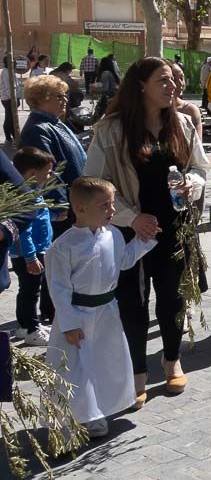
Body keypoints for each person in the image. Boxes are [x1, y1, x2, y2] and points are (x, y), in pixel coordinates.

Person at [83, 57, 208, 408]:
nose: (173, 87)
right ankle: (137, 371)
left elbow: (199, 168)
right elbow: (93, 181)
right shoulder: (111, 130)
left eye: (173, 81)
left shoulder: (182, 123)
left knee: (173, 298)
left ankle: (171, 360)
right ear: (141, 85)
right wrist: (129, 217)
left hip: (174, 228)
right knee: (133, 303)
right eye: (163, 81)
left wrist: (191, 183)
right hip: (130, 232)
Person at [44, 177, 158, 438]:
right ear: (80, 209)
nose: (112, 210)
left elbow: (124, 261)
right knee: (75, 368)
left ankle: (95, 413)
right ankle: (65, 421)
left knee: (104, 363)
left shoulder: (114, 235)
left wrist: (144, 241)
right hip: (77, 317)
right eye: (104, 205)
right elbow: (59, 289)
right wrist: (70, 324)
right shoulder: (63, 247)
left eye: (112, 204)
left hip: (107, 313)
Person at [20, 75, 88, 237]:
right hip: (63, 211)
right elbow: (45, 172)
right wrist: (59, 204)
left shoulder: (53, 123)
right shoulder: (38, 129)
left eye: (66, 95)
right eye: (59, 96)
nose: (65, 100)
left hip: (76, 202)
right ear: (41, 98)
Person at [9, 147, 57, 347]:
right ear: (31, 173)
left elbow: (39, 217)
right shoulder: (25, 196)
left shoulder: (32, 192)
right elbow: (24, 230)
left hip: (34, 251)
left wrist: (54, 215)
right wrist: (30, 257)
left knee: (27, 290)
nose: (50, 175)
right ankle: (31, 329)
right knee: (31, 291)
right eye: (47, 172)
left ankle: (23, 325)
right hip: (29, 254)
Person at [170, 63, 203, 130]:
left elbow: (196, 140)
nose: (180, 83)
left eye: (181, 78)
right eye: (173, 79)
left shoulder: (190, 110)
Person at [1, 56, 17, 143]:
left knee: (10, 117)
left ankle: (12, 135)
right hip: (8, 98)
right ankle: (10, 136)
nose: (13, 62)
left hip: (10, 97)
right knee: (10, 118)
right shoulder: (6, 72)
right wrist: (13, 99)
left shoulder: (10, 71)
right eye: (11, 61)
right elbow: (8, 87)